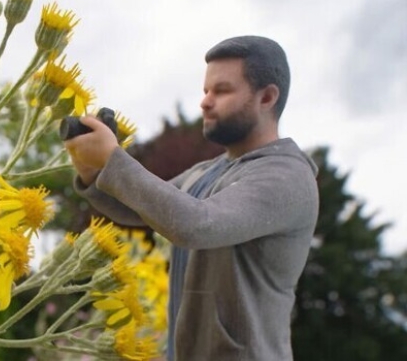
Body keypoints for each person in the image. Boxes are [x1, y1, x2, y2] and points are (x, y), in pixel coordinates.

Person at [64, 35, 319, 361]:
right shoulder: (207, 171)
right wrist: (93, 172)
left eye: (221, 91)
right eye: (206, 90)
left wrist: (114, 159)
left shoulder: (286, 176)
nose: (205, 102)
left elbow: (196, 224)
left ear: (267, 97)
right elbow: (143, 209)